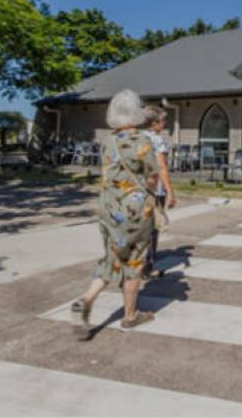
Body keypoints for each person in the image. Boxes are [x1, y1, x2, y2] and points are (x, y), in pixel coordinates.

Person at [70, 89, 160, 340]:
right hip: (135, 209)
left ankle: (87, 298)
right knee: (133, 259)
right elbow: (152, 177)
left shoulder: (108, 141)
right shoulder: (143, 141)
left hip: (108, 207)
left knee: (112, 255)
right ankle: (130, 316)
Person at [141, 105, 177, 279]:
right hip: (156, 190)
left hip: (138, 189)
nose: (165, 123)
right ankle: (148, 266)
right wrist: (170, 191)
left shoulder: (138, 138)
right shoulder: (157, 140)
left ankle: (135, 264)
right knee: (153, 228)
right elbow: (162, 167)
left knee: (140, 228)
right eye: (163, 120)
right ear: (154, 123)